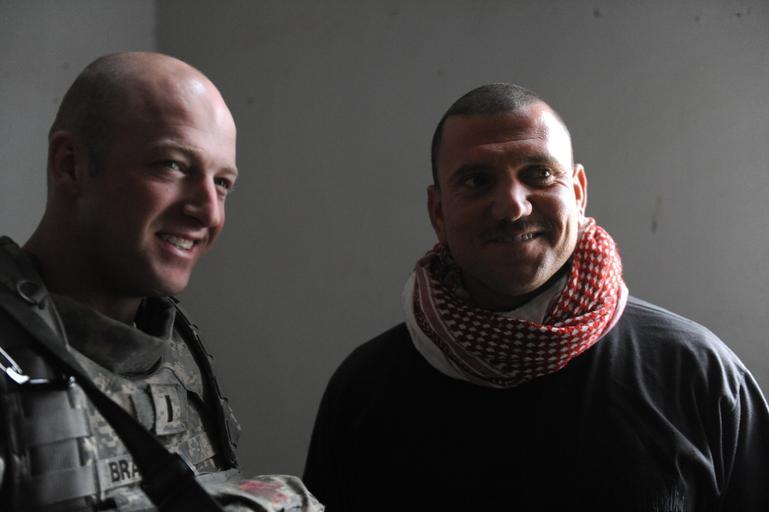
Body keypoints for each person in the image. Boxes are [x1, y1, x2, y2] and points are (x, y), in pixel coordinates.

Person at [303, 83, 769, 511]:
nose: (512, 205)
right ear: (438, 211)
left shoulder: (698, 373)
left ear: (578, 194)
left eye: (539, 173)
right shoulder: (364, 391)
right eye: (476, 180)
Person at [0, 52, 322, 511]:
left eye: (222, 183)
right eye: (172, 165)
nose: (208, 212)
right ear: (70, 164)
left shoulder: (176, 344)